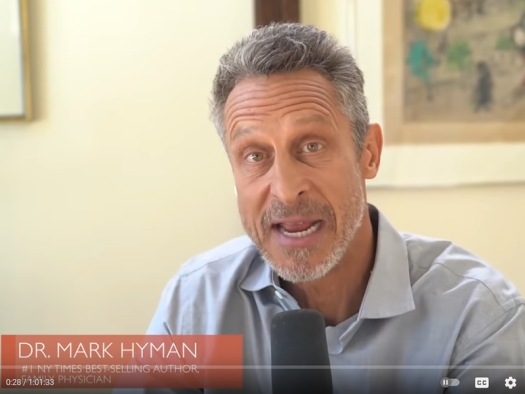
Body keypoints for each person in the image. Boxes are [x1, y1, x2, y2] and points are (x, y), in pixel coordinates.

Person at [121, 23, 525, 394]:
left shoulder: (479, 316)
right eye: (255, 155)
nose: (286, 189)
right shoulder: (195, 303)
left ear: (368, 153)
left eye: (311, 146)